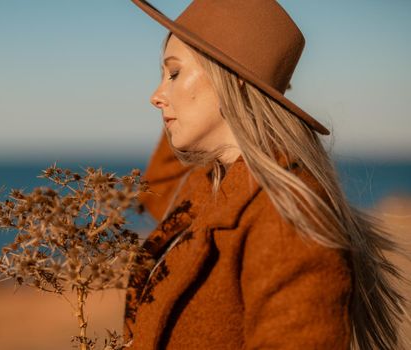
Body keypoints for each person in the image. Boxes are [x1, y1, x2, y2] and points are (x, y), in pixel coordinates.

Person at [124, 1, 411, 349]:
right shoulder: (211, 186)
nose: (156, 96)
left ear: (234, 78)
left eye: (173, 73)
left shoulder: (286, 216)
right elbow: (160, 184)